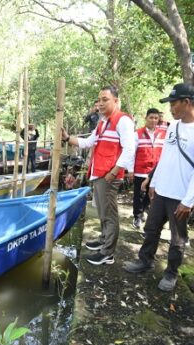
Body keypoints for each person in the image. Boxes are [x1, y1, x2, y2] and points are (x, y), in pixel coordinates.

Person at [122, 83, 194, 292]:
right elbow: (165, 157)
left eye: (174, 103)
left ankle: (171, 273)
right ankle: (145, 260)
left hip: (180, 196)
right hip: (162, 191)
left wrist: (188, 201)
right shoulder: (173, 126)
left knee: (177, 238)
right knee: (151, 229)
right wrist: (153, 182)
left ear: (187, 103)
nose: (171, 108)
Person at [61, 86, 136, 265]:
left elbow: (130, 149)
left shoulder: (123, 121)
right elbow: (88, 142)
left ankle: (108, 252)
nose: (101, 103)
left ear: (116, 101)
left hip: (109, 175)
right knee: (102, 211)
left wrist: (114, 171)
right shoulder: (103, 122)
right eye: (99, 100)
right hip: (99, 173)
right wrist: (67, 138)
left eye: (105, 99)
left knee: (109, 213)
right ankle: (103, 240)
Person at [131, 108, 164, 229]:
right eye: (151, 117)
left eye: (156, 118)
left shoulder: (162, 135)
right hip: (140, 171)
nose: (154, 120)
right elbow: (131, 153)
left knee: (151, 196)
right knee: (139, 195)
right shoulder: (137, 134)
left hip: (156, 173)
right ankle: (137, 217)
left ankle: (143, 211)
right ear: (146, 118)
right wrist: (130, 170)